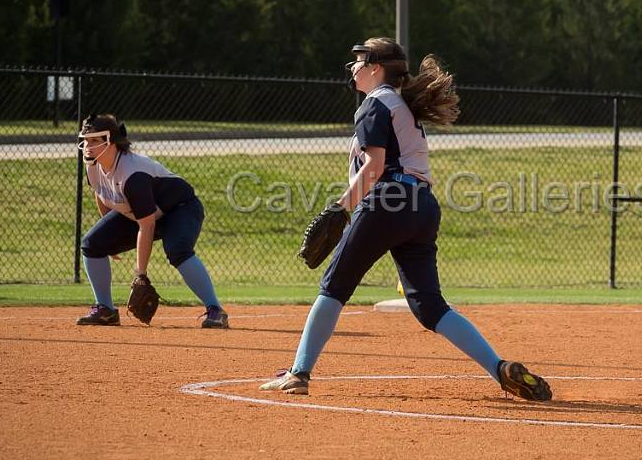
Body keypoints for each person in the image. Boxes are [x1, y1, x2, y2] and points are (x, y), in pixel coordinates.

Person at [260, 38, 551, 401]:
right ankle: (498, 368)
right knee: (430, 306)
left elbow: (375, 166)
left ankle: (298, 372)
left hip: (388, 202)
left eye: (359, 60)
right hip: (423, 207)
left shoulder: (374, 104)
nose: (353, 67)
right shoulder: (402, 105)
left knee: (334, 287)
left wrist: (341, 207)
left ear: (375, 68)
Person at [75, 113, 228, 329]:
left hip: (180, 209)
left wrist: (141, 275)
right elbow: (101, 193)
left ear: (111, 142)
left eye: (94, 140)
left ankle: (215, 310)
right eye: (86, 140)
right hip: (142, 212)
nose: (88, 146)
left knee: (177, 250)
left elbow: (147, 225)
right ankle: (105, 310)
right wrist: (108, 238)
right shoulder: (93, 166)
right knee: (92, 244)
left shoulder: (132, 174)